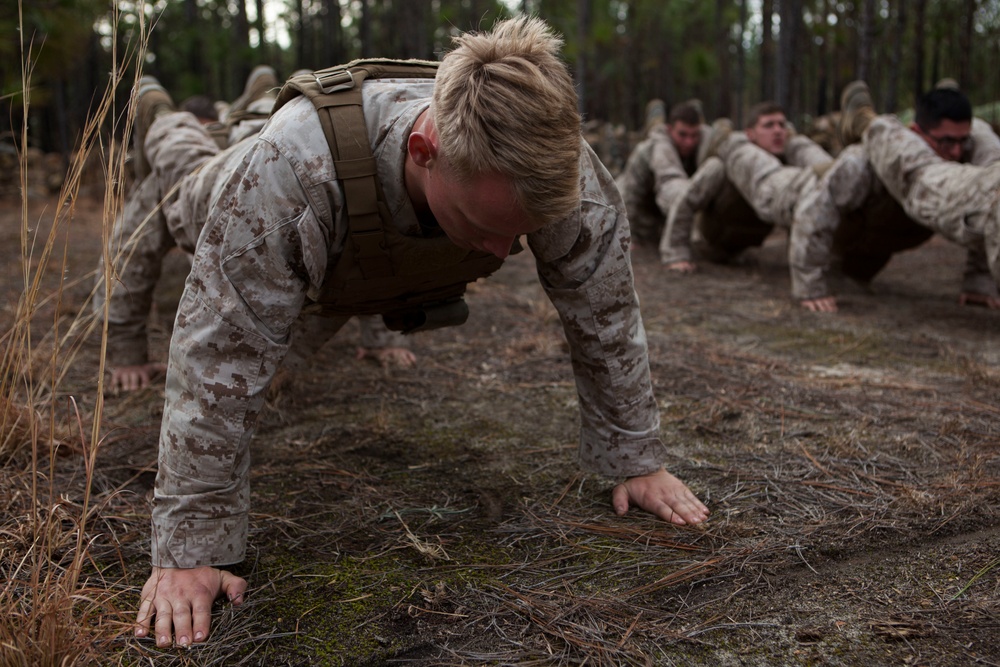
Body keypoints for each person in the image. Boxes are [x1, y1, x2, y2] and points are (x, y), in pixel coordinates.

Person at [131, 17, 710, 648]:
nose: (502, 248)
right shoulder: (288, 173)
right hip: (224, 180)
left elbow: (607, 313)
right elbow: (216, 353)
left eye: (518, 231)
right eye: (483, 224)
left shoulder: (563, 173)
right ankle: (164, 114)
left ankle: (229, 113)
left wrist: (636, 458)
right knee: (180, 172)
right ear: (424, 150)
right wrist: (192, 547)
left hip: (335, 245)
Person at [99, 70, 414, 393]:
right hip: (249, 149)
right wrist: (126, 352)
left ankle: (229, 110)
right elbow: (130, 251)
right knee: (194, 166)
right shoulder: (170, 182)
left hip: (255, 152)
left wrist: (380, 339)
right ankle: (175, 115)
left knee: (236, 155)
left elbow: (358, 236)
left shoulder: (295, 172)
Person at [790, 82, 1000, 312]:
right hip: (815, 201)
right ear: (915, 133)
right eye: (947, 141)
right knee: (794, 177)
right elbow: (816, 208)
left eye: (964, 141)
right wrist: (809, 285)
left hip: (869, 247)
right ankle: (857, 126)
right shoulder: (861, 163)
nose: (957, 152)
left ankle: (865, 124)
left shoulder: (968, 156)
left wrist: (980, 279)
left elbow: (985, 214)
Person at [659, 101, 833, 272]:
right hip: (711, 244)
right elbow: (687, 200)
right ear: (750, 134)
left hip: (746, 246)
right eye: (768, 126)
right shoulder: (723, 165)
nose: (778, 131)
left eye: (782, 125)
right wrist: (676, 255)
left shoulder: (786, 164)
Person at [615, 99, 706, 246]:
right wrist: (626, 235)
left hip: (661, 209)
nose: (689, 142)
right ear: (670, 130)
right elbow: (630, 193)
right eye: (682, 134)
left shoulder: (701, 146)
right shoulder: (645, 151)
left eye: (694, 135)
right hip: (639, 201)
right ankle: (654, 126)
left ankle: (655, 124)